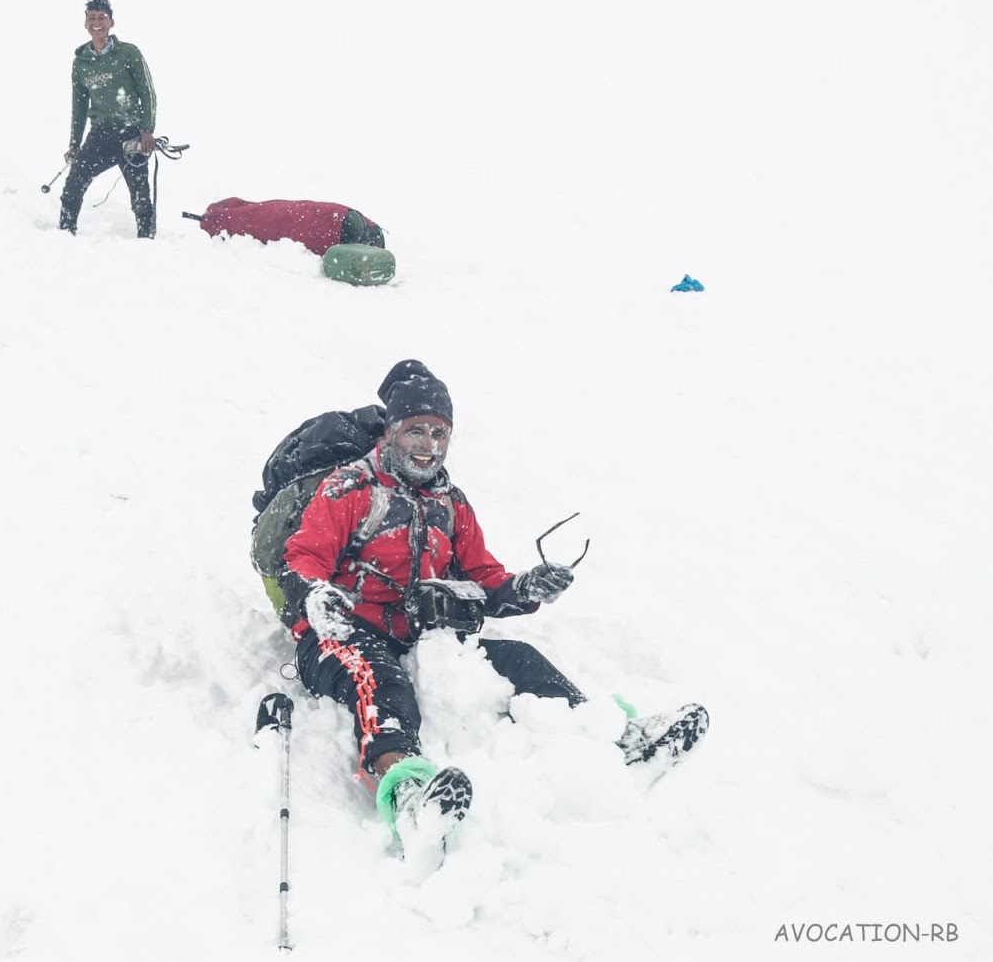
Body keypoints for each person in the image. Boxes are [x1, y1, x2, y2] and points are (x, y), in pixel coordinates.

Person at [277, 363, 708, 849]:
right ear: (391, 431)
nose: (428, 443)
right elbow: (302, 560)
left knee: (520, 659)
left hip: (420, 639)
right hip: (340, 635)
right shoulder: (347, 489)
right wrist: (317, 598)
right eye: (415, 429)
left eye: (439, 433)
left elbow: (483, 577)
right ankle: (409, 797)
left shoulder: (450, 504)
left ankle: (621, 739)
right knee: (379, 682)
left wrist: (525, 588)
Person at [59, 0, 157, 239]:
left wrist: (147, 130)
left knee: (140, 194)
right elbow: (79, 107)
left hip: (131, 133)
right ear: (85, 24)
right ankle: (63, 235)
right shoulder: (81, 63)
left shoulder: (128, 53)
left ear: (111, 22)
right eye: (91, 18)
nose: (96, 22)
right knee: (74, 184)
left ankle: (147, 241)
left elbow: (147, 92)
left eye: (101, 17)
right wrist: (74, 145)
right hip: (100, 134)